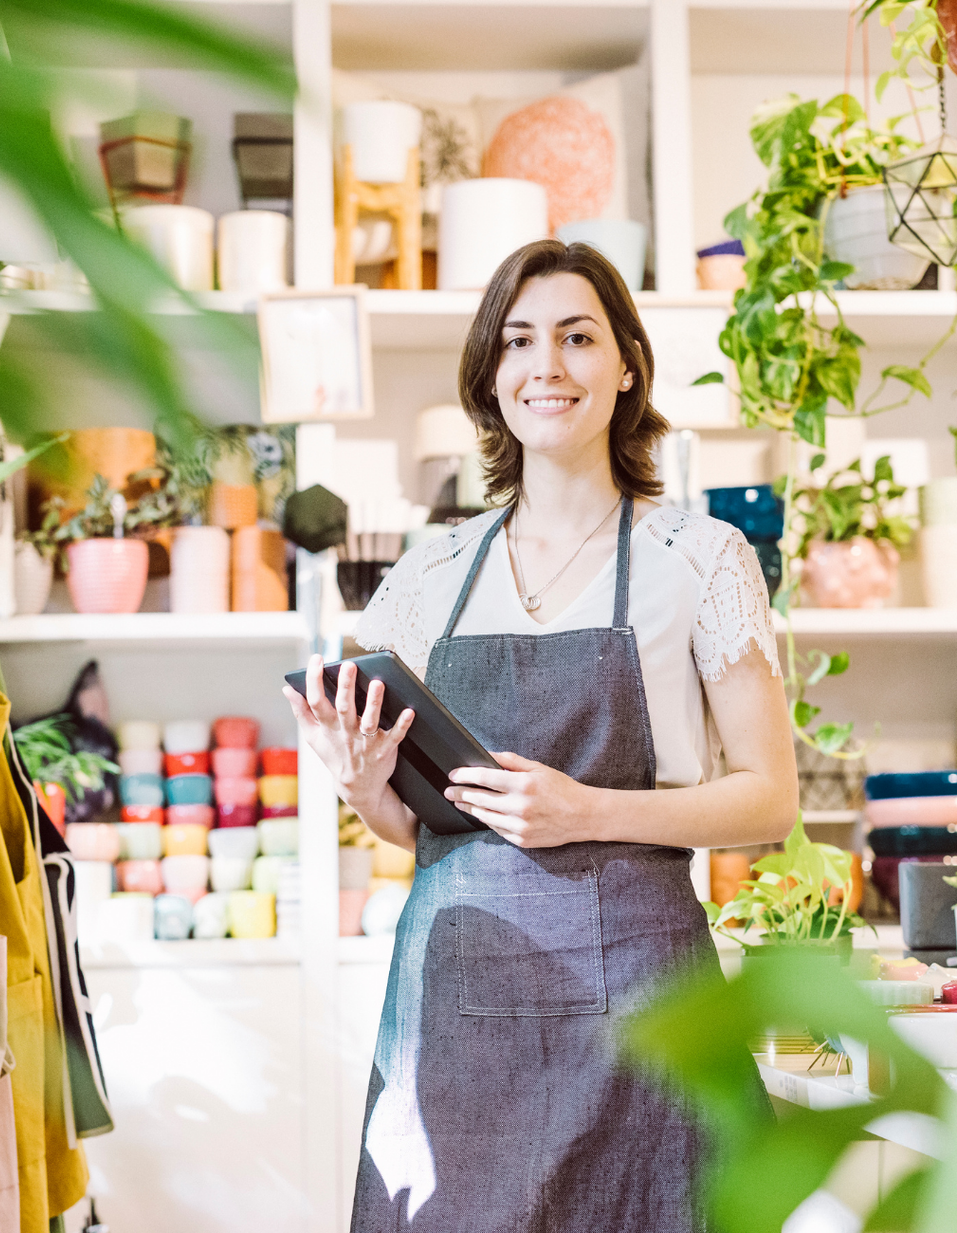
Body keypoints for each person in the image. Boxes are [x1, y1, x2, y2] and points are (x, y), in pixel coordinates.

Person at [283, 239, 798, 1232]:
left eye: (576, 337)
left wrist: (586, 810)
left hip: (645, 1005)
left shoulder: (697, 556)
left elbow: (768, 796)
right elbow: (424, 829)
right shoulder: (426, 577)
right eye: (517, 342)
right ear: (489, 375)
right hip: (460, 1012)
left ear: (625, 366)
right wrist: (362, 786)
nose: (546, 366)